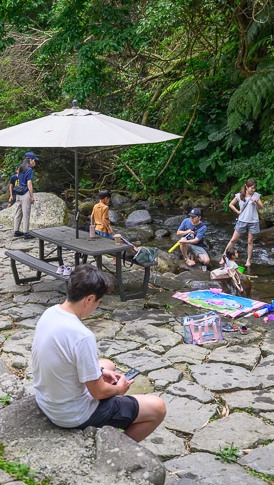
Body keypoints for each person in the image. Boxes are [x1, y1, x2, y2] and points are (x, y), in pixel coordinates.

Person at [30, 264, 166, 442]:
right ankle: (120, 450)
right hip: (72, 414)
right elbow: (98, 393)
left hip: (46, 400)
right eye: (98, 302)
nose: (97, 306)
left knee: (107, 364)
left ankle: (103, 376)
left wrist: (100, 372)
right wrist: (118, 389)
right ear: (89, 299)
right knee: (158, 407)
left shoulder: (50, 313)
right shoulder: (82, 336)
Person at [224, 179, 263, 269]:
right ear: (246, 187)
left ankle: (248, 260)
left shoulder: (256, 195)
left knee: (250, 241)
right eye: (252, 188)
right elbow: (231, 204)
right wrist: (237, 211)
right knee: (233, 240)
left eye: (254, 188)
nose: (253, 190)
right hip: (242, 220)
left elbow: (261, 207)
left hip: (253, 221)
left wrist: (256, 201)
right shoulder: (239, 195)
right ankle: (224, 256)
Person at [12, 152, 38, 239]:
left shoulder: (20, 168)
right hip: (25, 193)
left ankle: (16, 230)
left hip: (18, 193)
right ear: (30, 159)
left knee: (18, 212)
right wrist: (32, 196)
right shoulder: (29, 170)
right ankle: (26, 233)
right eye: (34, 160)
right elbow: (29, 184)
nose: (35, 162)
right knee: (26, 213)